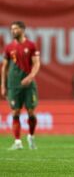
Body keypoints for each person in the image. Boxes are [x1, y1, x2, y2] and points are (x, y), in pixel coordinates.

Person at [1, 21, 40, 150]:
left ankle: (31, 136)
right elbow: (4, 67)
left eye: (16, 28)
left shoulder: (31, 45)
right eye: (12, 29)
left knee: (31, 112)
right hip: (13, 84)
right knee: (15, 112)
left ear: (23, 29)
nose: (13, 31)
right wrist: (3, 85)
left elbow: (36, 64)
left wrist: (30, 77)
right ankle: (17, 142)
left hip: (28, 85)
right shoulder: (8, 47)